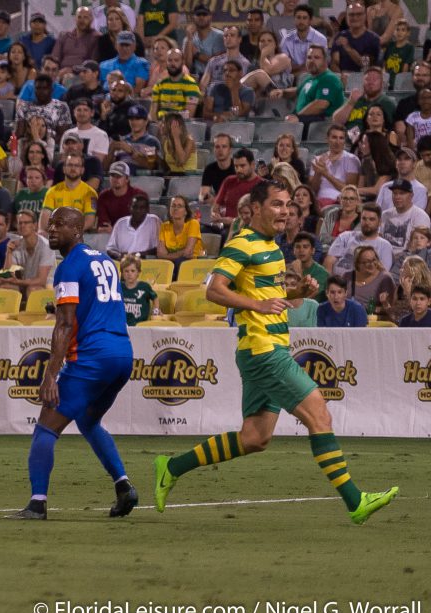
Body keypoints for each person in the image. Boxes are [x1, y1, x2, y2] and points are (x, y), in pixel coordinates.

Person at [155, 180, 397, 524]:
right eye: (277, 204)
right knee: (319, 414)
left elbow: (274, 297)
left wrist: (301, 290)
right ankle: (356, 501)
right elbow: (213, 290)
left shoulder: (270, 245)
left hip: (265, 348)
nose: (285, 211)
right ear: (255, 208)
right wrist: (257, 303)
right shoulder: (242, 243)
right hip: (263, 349)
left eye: (288, 205)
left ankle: (171, 466)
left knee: (255, 437)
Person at [8, 206, 138, 521]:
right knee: (89, 421)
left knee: (45, 429)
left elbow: (65, 325)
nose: (52, 229)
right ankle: (124, 487)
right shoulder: (105, 261)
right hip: (122, 354)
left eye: (60, 224)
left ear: (77, 230)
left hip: (92, 356)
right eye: (50, 224)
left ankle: (37, 503)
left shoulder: (69, 267)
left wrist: (50, 375)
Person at [269, 46, 345, 124]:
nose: (312, 60)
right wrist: (283, 92)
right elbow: (298, 90)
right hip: (302, 122)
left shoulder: (329, 78)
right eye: (309, 57)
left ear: (325, 61)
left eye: (316, 57)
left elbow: (321, 104)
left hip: (319, 126)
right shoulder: (311, 78)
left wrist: (298, 117)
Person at [0, 209, 52, 297]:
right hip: (26, 284)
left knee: (32, 290)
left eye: (26, 223)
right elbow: (7, 275)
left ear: (34, 225)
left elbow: (41, 280)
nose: (22, 226)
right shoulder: (17, 245)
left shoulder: (46, 246)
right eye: (20, 223)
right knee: (3, 287)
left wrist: (18, 282)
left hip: (47, 286)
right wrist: (9, 253)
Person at [325, 205, 394, 275]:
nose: (367, 222)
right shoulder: (345, 236)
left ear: (379, 222)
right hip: (336, 281)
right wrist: (329, 282)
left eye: (371, 219)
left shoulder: (385, 246)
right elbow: (329, 261)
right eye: (364, 219)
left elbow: (382, 274)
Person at [40, 154, 98, 233]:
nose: (73, 168)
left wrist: (71, 232)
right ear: (64, 169)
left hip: (80, 236)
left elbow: (89, 221)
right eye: (70, 165)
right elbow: (44, 220)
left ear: (82, 170)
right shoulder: (52, 191)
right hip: (57, 236)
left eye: (77, 165)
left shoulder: (90, 193)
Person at [332, 67, 396, 134]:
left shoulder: (387, 103)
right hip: (347, 141)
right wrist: (351, 103)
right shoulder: (354, 99)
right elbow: (337, 122)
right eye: (367, 79)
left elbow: (391, 130)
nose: (371, 82)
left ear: (382, 83)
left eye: (375, 79)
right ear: (362, 83)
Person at [211, 149, 262, 230]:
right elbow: (215, 207)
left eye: (242, 166)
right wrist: (215, 215)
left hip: (246, 229)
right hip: (224, 226)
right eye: (236, 166)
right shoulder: (229, 181)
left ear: (252, 165)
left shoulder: (261, 185)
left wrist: (226, 220)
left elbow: (255, 218)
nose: (238, 170)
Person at [381, 179, 431, 254]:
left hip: (407, 260)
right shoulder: (385, 215)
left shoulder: (420, 217)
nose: (397, 197)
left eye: (402, 193)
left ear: (411, 195)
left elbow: (420, 249)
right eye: (395, 193)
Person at [344, 245, 395, 316]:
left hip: (373, 321)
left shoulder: (385, 278)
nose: (371, 264)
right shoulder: (347, 276)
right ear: (357, 264)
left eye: (374, 260)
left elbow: (390, 309)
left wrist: (375, 308)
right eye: (366, 262)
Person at [149, 49, 200, 121]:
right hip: (160, 126)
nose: (172, 64)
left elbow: (189, 114)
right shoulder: (159, 85)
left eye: (176, 60)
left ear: (182, 62)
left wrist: (166, 117)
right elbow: (153, 113)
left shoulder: (191, 85)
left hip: (180, 126)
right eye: (169, 60)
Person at [331, 2, 381, 73]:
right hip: (342, 79)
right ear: (347, 17)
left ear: (365, 16)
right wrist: (341, 77)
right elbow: (334, 63)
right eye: (351, 15)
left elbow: (365, 65)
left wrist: (348, 48)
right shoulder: (340, 36)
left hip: (364, 80)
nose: (355, 17)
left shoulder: (373, 39)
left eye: (359, 14)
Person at [157, 195, 203, 269]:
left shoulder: (193, 224)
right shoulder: (164, 226)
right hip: (172, 262)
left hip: (193, 263)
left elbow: (188, 252)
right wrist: (180, 254)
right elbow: (160, 254)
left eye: (179, 206)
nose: (176, 208)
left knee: (178, 263)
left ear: (185, 211)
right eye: (173, 206)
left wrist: (168, 256)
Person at [52, 7, 99, 78]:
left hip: (81, 75)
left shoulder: (95, 37)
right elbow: (54, 58)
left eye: (85, 17)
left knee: (68, 78)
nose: (82, 20)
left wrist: (72, 70)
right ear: (75, 19)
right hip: (60, 73)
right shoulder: (64, 36)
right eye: (79, 17)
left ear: (91, 19)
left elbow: (92, 64)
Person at [199, 26, 250, 92]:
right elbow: (203, 85)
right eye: (225, 36)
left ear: (239, 39)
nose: (228, 38)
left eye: (232, 35)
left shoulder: (245, 64)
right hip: (213, 97)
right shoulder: (213, 61)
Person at [281, 6, 328, 76]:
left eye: (304, 18)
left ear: (310, 21)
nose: (301, 21)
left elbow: (319, 65)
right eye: (298, 17)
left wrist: (296, 68)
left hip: (314, 76)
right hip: (291, 77)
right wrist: (303, 67)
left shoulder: (320, 39)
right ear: (294, 19)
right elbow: (284, 66)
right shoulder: (286, 40)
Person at [182, 4, 225, 77]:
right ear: (193, 17)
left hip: (215, 78)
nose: (201, 17)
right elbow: (187, 66)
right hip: (194, 77)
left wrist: (196, 54)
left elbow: (216, 63)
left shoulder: (220, 36)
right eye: (198, 14)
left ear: (210, 17)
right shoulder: (188, 39)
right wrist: (189, 40)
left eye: (204, 14)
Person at [289, 232, 329, 302]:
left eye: (305, 247)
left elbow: (306, 299)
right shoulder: (285, 269)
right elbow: (276, 289)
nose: (301, 250)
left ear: (313, 251)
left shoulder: (322, 273)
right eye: (298, 247)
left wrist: (298, 274)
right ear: (293, 251)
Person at [120, 254, 159, 326]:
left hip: (141, 326)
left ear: (138, 272)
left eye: (132, 271)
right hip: (122, 325)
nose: (129, 274)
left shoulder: (144, 287)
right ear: (122, 273)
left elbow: (155, 297)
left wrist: (156, 310)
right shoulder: (118, 287)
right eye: (126, 271)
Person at [200, 133, 234, 203]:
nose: (220, 150)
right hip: (218, 207)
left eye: (224, 146)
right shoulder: (209, 169)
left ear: (230, 149)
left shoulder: (238, 167)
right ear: (213, 150)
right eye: (217, 147)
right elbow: (203, 194)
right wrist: (204, 197)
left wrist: (216, 200)